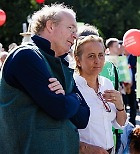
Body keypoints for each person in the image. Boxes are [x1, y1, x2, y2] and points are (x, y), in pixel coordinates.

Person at [0, 3, 90, 154]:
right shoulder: (26, 55)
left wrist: (66, 98)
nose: (75, 35)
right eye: (70, 28)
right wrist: (74, 97)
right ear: (50, 26)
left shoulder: (61, 63)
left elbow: (83, 118)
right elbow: (60, 108)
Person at [73, 35, 127, 154]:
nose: (97, 61)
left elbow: (120, 125)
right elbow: (63, 131)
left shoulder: (106, 83)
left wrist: (120, 106)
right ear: (78, 60)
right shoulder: (72, 87)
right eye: (91, 56)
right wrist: (84, 148)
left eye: (101, 55)